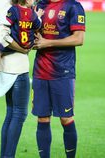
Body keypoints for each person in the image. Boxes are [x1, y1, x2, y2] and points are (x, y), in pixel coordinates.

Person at [0, 0, 43, 157]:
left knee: (11, 113)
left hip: (3, 64)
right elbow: (4, 37)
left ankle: (5, 155)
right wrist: (23, 48)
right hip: (16, 66)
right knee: (19, 114)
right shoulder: (10, 8)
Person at [32, 0, 86, 158]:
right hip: (40, 71)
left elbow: (78, 39)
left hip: (63, 71)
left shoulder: (73, 6)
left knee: (66, 118)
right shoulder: (39, 5)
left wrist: (48, 42)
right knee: (42, 118)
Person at [0, 0, 44, 79]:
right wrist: (39, 17)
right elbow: (38, 25)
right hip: (28, 44)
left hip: (16, 41)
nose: (34, 1)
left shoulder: (14, 9)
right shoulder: (32, 14)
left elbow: (7, 22)